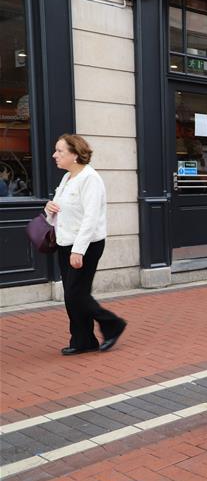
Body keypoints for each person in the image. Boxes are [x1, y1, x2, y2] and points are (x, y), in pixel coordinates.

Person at [44, 134, 126, 356]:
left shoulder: (90, 179)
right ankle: (83, 340)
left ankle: (113, 324)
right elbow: (60, 211)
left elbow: (91, 218)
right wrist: (49, 209)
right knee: (72, 295)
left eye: (59, 151)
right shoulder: (67, 178)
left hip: (86, 246)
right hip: (65, 243)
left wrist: (78, 250)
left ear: (75, 154)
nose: (54, 155)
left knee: (76, 294)